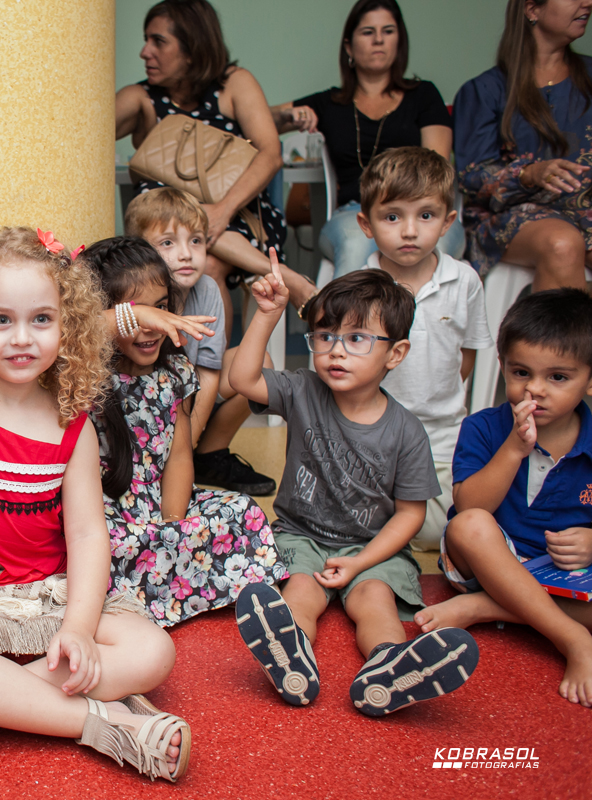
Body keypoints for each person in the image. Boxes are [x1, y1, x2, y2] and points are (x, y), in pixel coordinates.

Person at [0, 111, 189, 780]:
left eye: (41, 319)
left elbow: (86, 538)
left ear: (68, 326)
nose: (22, 337)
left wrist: (78, 626)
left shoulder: (73, 422)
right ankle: (104, 726)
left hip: (49, 600)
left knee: (151, 652)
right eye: (2, 320)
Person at [230, 261, 479, 716]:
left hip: (372, 547)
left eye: (357, 338)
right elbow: (242, 379)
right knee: (300, 592)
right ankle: (293, 654)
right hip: (300, 535)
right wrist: (267, 314)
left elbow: (410, 514)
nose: (335, 351)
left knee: (375, 600)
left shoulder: (406, 431)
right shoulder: (304, 390)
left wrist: (361, 562)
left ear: (396, 353)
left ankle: (389, 664)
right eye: (325, 337)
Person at [82, 237, 286, 627]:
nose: (154, 323)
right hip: (103, 519)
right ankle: (160, 591)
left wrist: (172, 526)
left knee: (242, 511)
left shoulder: (175, 374)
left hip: (159, 509)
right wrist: (137, 314)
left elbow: (178, 457)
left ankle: (164, 587)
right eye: (138, 314)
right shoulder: (85, 372)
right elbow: (70, 332)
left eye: (162, 307)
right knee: (103, 548)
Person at [415, 289, 592, 708]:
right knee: (469, 524)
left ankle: (490, 608)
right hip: (487, 560)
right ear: (502, 368)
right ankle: (572, 636)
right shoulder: (483, 427)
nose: (536, 390)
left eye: (558, 377)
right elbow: (473, 507)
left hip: (564, 574)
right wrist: (514, 448)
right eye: (520, 373)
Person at [115, 0, 316, 337]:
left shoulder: (235, 84)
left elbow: (270, 154)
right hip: (167, 222)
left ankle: (208, 375)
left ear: (192, 49)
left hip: (237, 211)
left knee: (205, 264)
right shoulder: (141, 97)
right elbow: (81, 135)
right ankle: (286, 277)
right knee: (192, 243)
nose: (144, 52)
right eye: (146, 40)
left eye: (158, 41)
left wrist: (222, 210)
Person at [354, 147, 492, 548]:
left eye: (426, 216)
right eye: (392, 216)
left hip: (442, 431)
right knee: (355, 524)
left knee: (437, 533)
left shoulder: (464, 281)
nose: (410, 231)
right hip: (371, 429)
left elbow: (466, 353)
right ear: (366, 223)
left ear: (448, 221)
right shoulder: (359, 286)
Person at [270, 0, 462, 277]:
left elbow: (437, 170)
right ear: (348, 46)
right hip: (354, 212)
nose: (379, 40)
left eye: (388, 31)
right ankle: (348, 321)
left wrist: (409, 217)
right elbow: (256, 122)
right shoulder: (330, 103)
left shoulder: (424, 96)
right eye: (368, 32)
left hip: (421, 211)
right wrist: (287, 116)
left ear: (400, 41)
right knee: (355, 244)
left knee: (432, 244)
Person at [125, 187, 277, 495]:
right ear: (140, 250)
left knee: (260, 365)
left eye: (195, 241)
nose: (186, 254)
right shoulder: (132, 290)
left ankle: (208, 454)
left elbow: (207, 373)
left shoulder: (206, 289)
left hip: (188, 395)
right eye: (168, 242)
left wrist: (185, 449)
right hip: (142, 407)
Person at [453, 0, 592, 286]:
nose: (587, 2)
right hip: (511, 215)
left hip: (584, 210)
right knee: (563, 244)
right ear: (532, 10)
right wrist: (528, 174)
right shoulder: (484, 91)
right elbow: (471, 178)